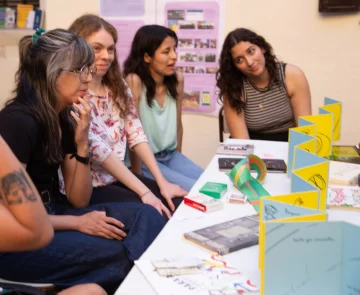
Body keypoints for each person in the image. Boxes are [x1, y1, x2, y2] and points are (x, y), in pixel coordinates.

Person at [0, 28, 166, 294]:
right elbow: (12, 218)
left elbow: (80, 200)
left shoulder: (64, 116)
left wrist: (82, 142)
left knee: (149, 213)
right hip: (20, 242)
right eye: (81, 71)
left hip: (55, 212)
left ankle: (154, 280)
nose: (88, 79)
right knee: (121, 254)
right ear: (51, 74)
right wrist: (78, 222)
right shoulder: (17, 122)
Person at [68, 15, 187, 218]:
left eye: (111, 49)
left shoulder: (118, 86)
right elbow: (100, 152)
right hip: (92, 187)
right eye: (97, 48)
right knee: (156, 212)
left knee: (178, 201)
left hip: (118, 178)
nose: (106, 56)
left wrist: (162, 182)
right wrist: (145, 192)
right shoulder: (74, 92)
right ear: (77, 49)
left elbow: (136, 132)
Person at [0, 136, 107, 295]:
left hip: (49, 218)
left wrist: (82, 146)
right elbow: (37, 230)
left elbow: (80, 200)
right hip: (16, 252)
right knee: (112, 255)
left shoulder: (62, 122)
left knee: (92, 291)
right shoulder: (21, 118)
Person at [123, 24, 204, 192]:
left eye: (175, 49)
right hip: (145, 161)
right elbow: (132, 134)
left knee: (210, 183)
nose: (174, 56)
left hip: (171, 155)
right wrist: (139, 178)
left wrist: (179, 160)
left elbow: (178, 126)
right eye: (166, 52)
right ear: (147, 57)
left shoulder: (177, 79)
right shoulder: (134, 81)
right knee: (196, 192)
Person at [216, 28, 312, 142]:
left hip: (289, 145)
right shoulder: (234, 87)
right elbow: (242, 142)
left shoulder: (292, 76)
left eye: (251, 51)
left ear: (262, 48)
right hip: (252, 148)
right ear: (234, 66)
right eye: (239, 60)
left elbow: (305, 133)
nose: (250, 62)